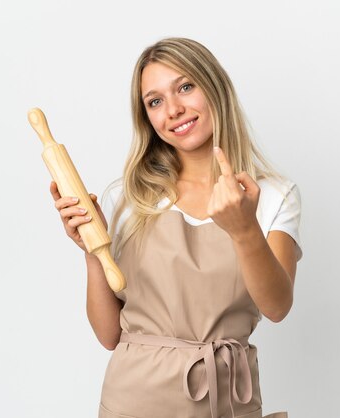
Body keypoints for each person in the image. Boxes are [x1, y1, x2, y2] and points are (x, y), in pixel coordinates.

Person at [50, 37, 302, 418]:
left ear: (214, 86)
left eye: (185, 87)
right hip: (133, 402)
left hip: (228, 403)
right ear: (147, 118)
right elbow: (109, 336)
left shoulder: (272, 195)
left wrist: (243, 228)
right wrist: (91, 250)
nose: (174, 110)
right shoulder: (130, 197)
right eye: (155, 101)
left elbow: (278, 306)